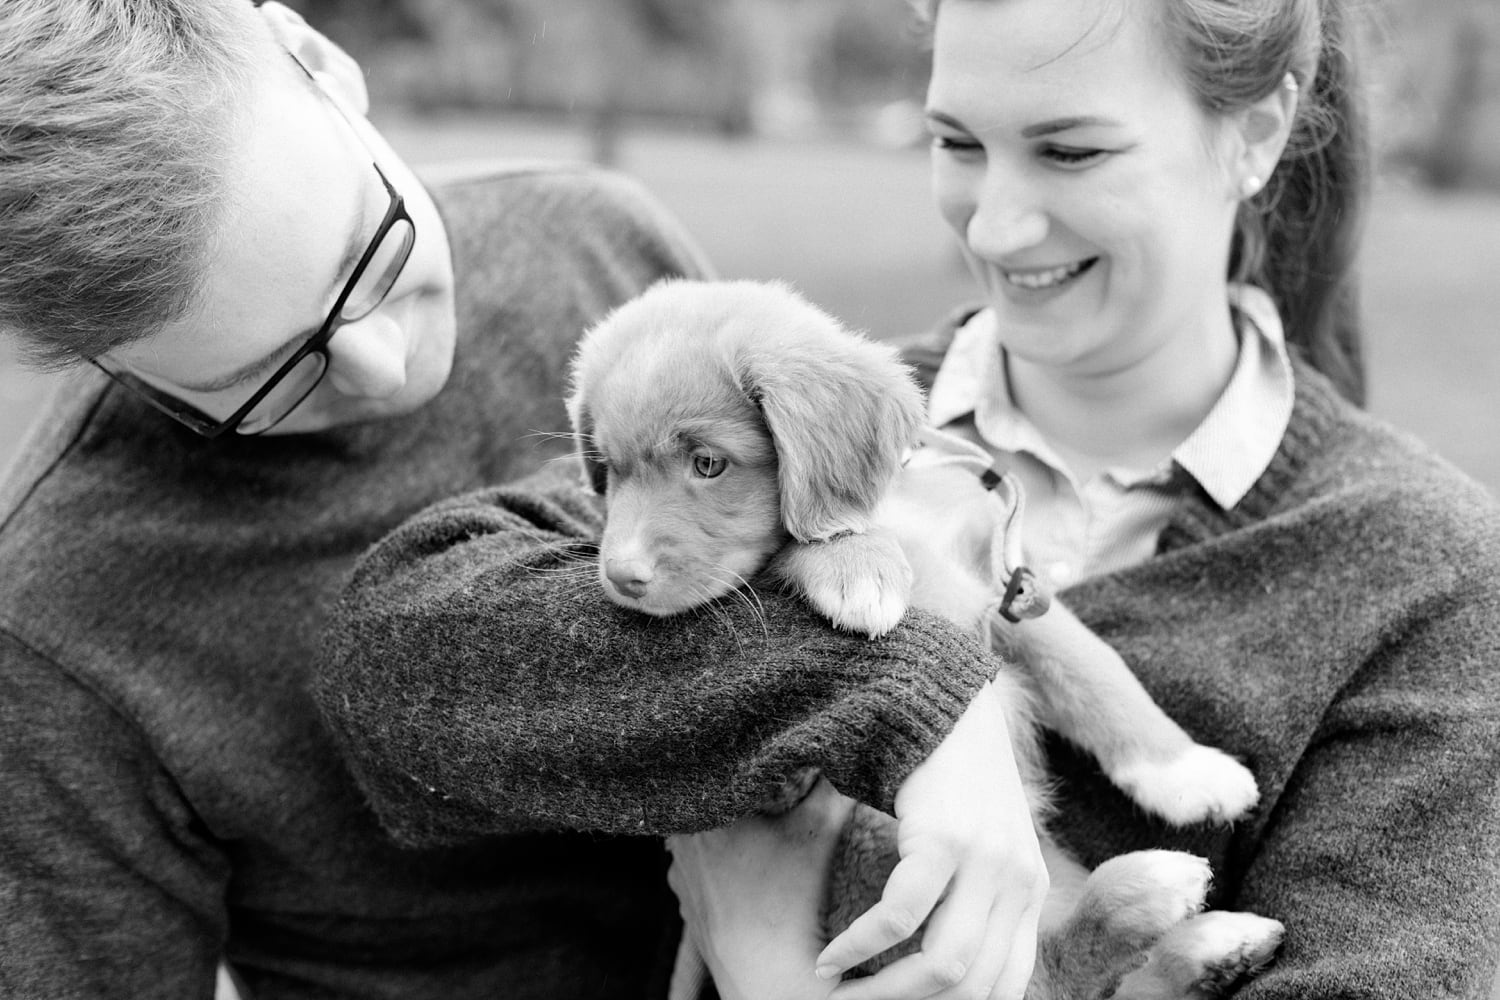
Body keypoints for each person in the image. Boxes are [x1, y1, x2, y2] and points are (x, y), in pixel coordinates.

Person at [313, 0, 1500, 997]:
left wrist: (776, 968)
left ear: (1257, 134)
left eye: (1071, 150)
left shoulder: (1428, 575)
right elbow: (392, 664)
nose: (994, 221)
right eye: (956, 141)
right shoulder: (780, 419)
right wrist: (926, 702)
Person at [0, 2, 1051, 998]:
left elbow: (808, 511)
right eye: (269, 372)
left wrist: (933, 683)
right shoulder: (54, 636)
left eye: (374, 247)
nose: (385, 360)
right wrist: (909, 694)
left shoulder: (589, 238)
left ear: (324, 66)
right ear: (109, 362)